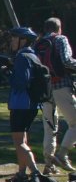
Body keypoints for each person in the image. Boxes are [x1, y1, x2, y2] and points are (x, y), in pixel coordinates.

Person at [35, 17, 76, 173]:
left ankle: (49, 163)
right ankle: (62, 154)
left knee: (50, 126)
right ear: (59, 28)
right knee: (74, 123)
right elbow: (66, 61)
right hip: (61, 86)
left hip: (45, 89)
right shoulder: (60, 39)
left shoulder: (38, 43)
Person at [7, 26, 43, 179]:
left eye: (14, 38)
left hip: (21, 104)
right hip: (31, 104)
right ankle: (22, 173)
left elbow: (21, 83)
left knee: (19, 141)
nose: (12, 41)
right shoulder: (33, 56)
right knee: (23, 139)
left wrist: (8, 74)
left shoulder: (22, 57)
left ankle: (35, 172)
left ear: (23, 40)